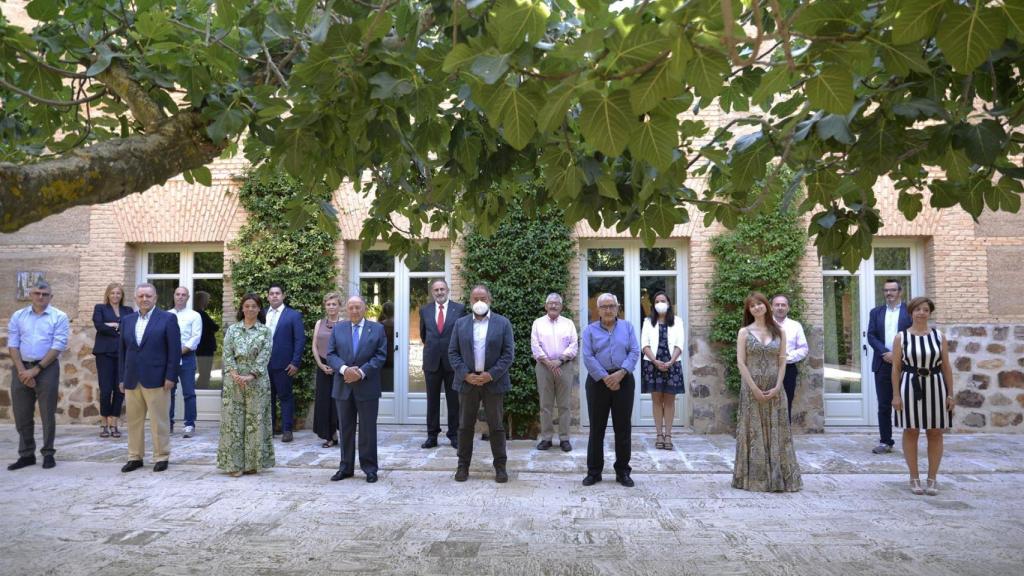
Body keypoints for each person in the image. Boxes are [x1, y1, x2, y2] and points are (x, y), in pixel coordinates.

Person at [732, 292, 802, 492]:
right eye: (752, 306)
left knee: (778, 432)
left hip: (775, 388)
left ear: (766, 306)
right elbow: (741, 362)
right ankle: (754, 479)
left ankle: (780, 478)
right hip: (751, 389)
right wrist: (753, 388)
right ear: (749, 310)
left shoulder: (780, 332)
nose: (757, 308)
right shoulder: (744, 332)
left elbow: (782, 360)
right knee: (752, 432)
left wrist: (778, 386)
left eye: (760, 304)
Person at [448, 284, 515, 483]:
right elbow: (453, 352)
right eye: (475, 298)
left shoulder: (503, 323)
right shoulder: (460, 324)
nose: (479, 302)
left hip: (493, 382)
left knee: (496, 426)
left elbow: (508, 354)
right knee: (465, 426)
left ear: (490, 300)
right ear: (470, 301)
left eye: (483, 298)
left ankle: (500, 467)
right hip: (468, 382)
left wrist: (491, 374)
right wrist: (466, 374)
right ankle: (462, 467)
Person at [891, 296, 955, 495]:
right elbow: (896, 368)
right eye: (917, 309)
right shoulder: (901, 337)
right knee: (911, 430)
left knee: (935, 431)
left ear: (930, 313)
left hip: (935, 385)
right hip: (909, 385)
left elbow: (946, 366)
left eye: (925, 309)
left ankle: (932, 478)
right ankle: (914, 477)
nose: (921, 313)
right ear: (911, 312)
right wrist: (895, 395)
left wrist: (951, 394)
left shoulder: (939, 336)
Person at [7, 280, 69, 471]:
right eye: (37, 293)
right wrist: (22, 371)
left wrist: (36, 370)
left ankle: (48, 453)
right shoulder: (18, 316)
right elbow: (13, 343)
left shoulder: (59, 316)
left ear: (51, 296)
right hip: (21, 367)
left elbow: (58, 345)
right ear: (30, 294)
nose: (40, 297)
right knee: (21, 413)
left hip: (47, 368)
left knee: (47, 412)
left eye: (44, 294)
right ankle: (26, 455)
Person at [119, 283, 181, 473]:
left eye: (148, 296)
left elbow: (174, 351)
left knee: (159, 421)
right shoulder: (127, 320)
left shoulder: (168, 319)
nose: (144, 299)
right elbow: (122, 352)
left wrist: (171, 376)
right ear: (136, 298)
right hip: (131, 379)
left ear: (155, 298)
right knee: (134, 421)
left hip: (157, 378)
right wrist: (121, 378)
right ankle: (135, 457)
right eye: (140, 296)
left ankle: (161, 456)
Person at [326, 295, 388, 483]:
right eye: (351, 307)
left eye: (358, 307)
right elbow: (330, 354)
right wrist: (345, 369)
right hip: (343, 386)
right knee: (345, 428)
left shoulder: (377, 329)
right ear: (346, 309)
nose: (354, 311)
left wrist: (361, 372)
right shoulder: (338, 329)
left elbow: (380, 355)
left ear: (365, 309)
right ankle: (345, 467)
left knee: (368, 429)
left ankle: (370, 468)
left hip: (367, 386)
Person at [581, 293, 640, 488]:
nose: (608, 310)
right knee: (596, 429)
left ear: (618, 307)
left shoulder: (628, 327)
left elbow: (634, 351)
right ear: (598, 310)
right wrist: (606, 377)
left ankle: (623, 471)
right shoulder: (589, 331)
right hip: (598, 383)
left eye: (612, 306)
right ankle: (594, 471)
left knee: (622, 428)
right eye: (604, 306)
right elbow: (588, 357)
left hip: (623, 380)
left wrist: (621, 373)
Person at [217, 293, 275, 477]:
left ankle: (252, 463)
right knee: (233, 422)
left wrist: (250, 376)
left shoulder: (265, 331)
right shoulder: (233, 330)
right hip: (233, 382)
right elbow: (227, 354)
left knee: (254, 422)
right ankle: (233, 465)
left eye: (254, 306)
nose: (250, 309)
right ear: (242, 308)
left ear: (259, 309)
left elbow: (265, 355)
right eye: (247, 306)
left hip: (257, 382)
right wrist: (235, 374)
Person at [418, 279, 465, 449]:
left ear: (448, 290)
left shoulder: (459, 309)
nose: (439, 292)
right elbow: (424, 335)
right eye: (436, 290)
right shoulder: (425, 310)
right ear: (432, 292)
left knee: (454, 400)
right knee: (432, 400)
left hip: (453, 363)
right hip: (431, 362)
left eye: (442, 289)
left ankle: (454, 434)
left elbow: (462, 334)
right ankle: (432, 435)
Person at [867, 279, 911, 454]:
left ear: (900, 292)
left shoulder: (910, 312)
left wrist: (899, 354)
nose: (889, 293)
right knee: (884, 404)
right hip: (883, 362)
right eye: (886, 290)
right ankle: (886, 441)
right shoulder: (876, 312)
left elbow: (913, 335)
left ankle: (910, 441)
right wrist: (885, 352)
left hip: (907, 364)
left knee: (908, 402)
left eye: (892, 290)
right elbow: (871, 336)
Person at [530, 292, 578, 452]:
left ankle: (564, 438)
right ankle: (546, 438)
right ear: (545, 306)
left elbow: (574, 344)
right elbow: (535, 345)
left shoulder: (568, 323)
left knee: (564, 405)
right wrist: (548, 362)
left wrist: (560, 360)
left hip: (564, 366)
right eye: (550, 303)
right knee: (545, 405)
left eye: (556, 303)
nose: (553, 305)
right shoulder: (537, 323)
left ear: (561, 307)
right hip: (544, 367)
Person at [640, 291, 685, 450]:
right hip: (653, 364)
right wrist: (655, 361)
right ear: (653, 304)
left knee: (670, 401)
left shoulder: (677, 321)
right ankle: (659, 434)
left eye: (663, 300)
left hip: (672, 364)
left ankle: (668, 435)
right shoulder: (648, 321)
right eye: (657, 300)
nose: (660, 303)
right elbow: (644, 344)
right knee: (657, 400)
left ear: (668, 302)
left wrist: (671, 361)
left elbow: (680, 343)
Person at [264, 283, 305, 443]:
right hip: (263, 365)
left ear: (283, 296)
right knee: (268, 398)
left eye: (277, 293)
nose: (274, 296)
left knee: (286, 397)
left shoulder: (293, 315)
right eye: (271, 293)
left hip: (284, 365)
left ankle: (287, 430)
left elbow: (299, 340)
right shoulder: (261, 314)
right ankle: (270, 429)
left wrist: (295, 362)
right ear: (267, 296)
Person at [92, 282, 132, 439]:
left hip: (123, 354)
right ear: (108, 294)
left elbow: (129, 328)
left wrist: (113, 325)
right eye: (113, 293)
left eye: (118, 293)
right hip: (104, 353)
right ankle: (104, 422)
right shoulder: (100, 308)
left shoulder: (128, 310)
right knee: (106, 389)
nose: (115, 296)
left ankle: (114, 423)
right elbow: (99, 326)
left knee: (119, 388)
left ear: (122, 296)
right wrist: (118, 327)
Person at [169, 286, 202, 437]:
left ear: (188, 298)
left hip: (187, 357)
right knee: (168, 392)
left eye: (184, 295)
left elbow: (195, 337)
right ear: (174, 296)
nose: (180, 297)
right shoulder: (166, 315)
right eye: (178, 294)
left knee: (189, 393)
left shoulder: (194, 316)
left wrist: (179, 352)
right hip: (169, 359)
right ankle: (167, 423)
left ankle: (189, 424)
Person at [771, 294, 808, 422]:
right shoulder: (763, 325)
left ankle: (785, 438)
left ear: (788, 308)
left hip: (788, 369)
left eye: (783, 305)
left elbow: (804, 349)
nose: (780, 307)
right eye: (777, 305)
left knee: (786, 402)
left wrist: (786, 358)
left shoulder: (795, 326)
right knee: (767, 403)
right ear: (771, 307)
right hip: (767, 369)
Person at [311, 292, 342, 448]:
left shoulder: (344, 323)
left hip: (339, 367)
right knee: (324, 402)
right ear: (325, 306)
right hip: (323, 367)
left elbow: (347, 347)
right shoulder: (319, 323)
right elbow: (314, 346)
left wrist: (338, 366)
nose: (331, 307)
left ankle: (338, 433)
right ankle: (329, 436)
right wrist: (321, 365)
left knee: (337, 402)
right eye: (328, 304)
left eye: (334, 304)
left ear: (339, 306)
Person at [194, 290, 220, 389]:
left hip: (203, 347)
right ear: (202, 300)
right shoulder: (201, 314)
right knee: (205, 372)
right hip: (204, 348)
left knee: (204, 372)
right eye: (207, 300)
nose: (208, 302)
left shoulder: (200, 313)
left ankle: (201, 389)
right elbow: (213, 327)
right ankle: (201, 390)